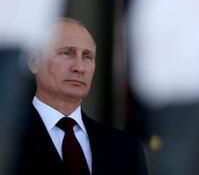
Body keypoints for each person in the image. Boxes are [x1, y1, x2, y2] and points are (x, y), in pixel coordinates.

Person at [15, 18, 148, 175]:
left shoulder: (126, 148)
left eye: (87, 57)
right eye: (67, 53)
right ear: (34, 61)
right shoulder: (9, 141)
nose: (79, 67)